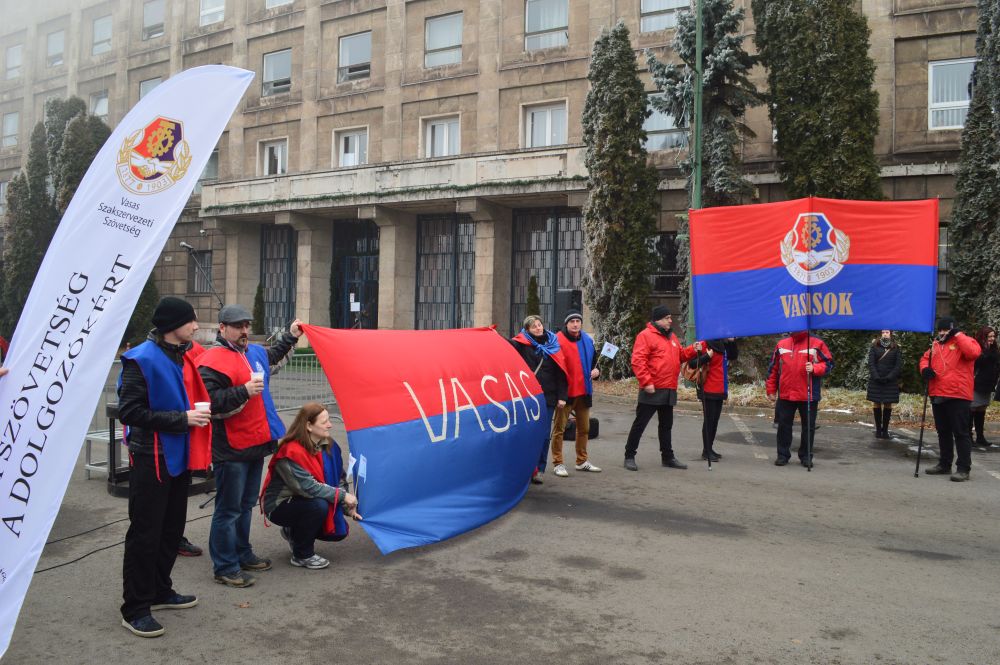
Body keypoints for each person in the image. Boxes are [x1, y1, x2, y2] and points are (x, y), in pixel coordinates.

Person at [116, 297, 212, 638]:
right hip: (151, 458)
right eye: (191, 321)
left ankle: (159, 590)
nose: (196, 326)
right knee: (146, 533)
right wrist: (182, 419)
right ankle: (135, 608)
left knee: (172, 529)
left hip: (177, 456)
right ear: (173, 325)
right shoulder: (140, 359)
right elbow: (129, 412)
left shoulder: (182, 354)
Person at [198, 304, 305, 587]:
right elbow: (210, 403)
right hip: (230, 448)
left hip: (257, 442)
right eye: (237, 326)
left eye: (246, 325)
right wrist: (243, 391)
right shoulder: (211, 360)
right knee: (228, 510)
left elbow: (273, 354)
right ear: (222, 328)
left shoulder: (253, 351)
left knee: (245, 506)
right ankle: (225, 566)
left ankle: (242, 553)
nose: (244, 330)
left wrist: (291, 336)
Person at [260, 402, 361, 569]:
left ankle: (292, 531)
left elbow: (339, 479)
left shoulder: (330, 445)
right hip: (279, 506)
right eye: (324, 422)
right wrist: (343, 496)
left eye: (329, 420)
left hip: (304, 500)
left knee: (337, 531)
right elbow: (308, 487)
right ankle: (302, 555)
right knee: (318, 506)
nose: (330, 425)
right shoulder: (290, 451)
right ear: (308, 425)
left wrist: (347, 508)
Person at [623, 305, 699, 471]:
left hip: (669, 389)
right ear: (658, 319)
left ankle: (668, 457)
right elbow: (638, 361)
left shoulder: (672, 337)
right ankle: (629, 456)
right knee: (640, 424)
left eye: (670, 317)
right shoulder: (645, 336)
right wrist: (646, 382)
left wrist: (694, 348)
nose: (671, 320)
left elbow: (681, 355)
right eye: (667, 318)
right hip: (652, 388)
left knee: (666, 426)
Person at [920, 317, 981, 481]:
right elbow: (925, 358)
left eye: (946, 330)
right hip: (938, 393)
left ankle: (963, 468)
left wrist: (958, 335)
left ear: (953, 329)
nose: (942, 333)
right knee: (943, 431)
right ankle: (944, 464)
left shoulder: (964, 341)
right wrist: (925, 369)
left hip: (958, 394)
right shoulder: (936, 344)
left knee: (961, 432)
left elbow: (973, 353)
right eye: (940, 330)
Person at [511, 314, 568, 484]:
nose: (538, 328)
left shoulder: (553, 344)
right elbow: (507, 346)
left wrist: (562, 397)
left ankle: (539, 469)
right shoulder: (521, 344)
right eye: (534, 326)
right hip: (528, 397)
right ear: (527, 330)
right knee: (526, 433)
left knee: (544, 435)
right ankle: (524, 468)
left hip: (548, 396)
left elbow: (561, 372)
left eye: (539, 324)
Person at [765, 330, 833, 467]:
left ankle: (806, 456)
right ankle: (782, 455)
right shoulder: (781, 344)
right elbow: (773, 368)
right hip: (786, 393)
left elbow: (829, 364)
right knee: (783, 426)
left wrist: (815, 368)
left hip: (809, 394)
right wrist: (771, 389)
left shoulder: (817, 343)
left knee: (808, 428)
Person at [550, 310, 601, 477]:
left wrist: (597, 371)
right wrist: (559, 395)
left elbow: (595, 363)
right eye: (572, 321)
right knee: (559, 429)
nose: (575, 324)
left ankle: (581, 461)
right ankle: (558, 463)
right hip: (566, 394)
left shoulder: (587, 339)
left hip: (584, 392)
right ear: (566, 324)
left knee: (584, 429)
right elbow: (554, 370)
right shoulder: (558, 340)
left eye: (578, 321)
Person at [686, 338, 739, 461]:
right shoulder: (704, 343)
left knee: (715, 421)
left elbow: (733, 356)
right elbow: (692, 363)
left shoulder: (723, 344)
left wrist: (732, 342)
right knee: (709, 421)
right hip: (708, 388)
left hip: (720, 388)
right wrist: (706, 356)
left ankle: (709, 448)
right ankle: (706, 451)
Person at [866, 330, 903, 439]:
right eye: (883, 332)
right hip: (876, 380)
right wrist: (876, 376)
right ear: (880, 334)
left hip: (890, 381)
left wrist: (889, 377)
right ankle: (878, 430)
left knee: (888, 404)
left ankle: (885, 430)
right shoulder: (874, 346)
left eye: (887, 332)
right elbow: (871, 363)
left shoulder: (896, 347)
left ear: (890, 334)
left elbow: (898, 365)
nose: (885, 334)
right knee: (876, 403)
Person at [971, 327, 998, 448]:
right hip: (977, 383)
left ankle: (980, 437)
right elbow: (976, 363)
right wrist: (985, 351)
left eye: (993, 336)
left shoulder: (994, 349)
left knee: (981, 409)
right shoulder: (977, 348)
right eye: (989, 336)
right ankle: (968, 436)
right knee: (973, 408)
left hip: (988, 384)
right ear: (983, 337)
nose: (992, 339)